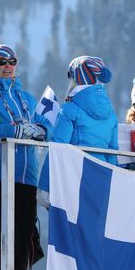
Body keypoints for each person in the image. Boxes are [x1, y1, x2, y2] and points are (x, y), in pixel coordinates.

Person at [0, 45, 53, 270]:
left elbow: (48, 123)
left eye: (12, 61)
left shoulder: (26, 97)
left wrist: (40, 129)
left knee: (24, 237)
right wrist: (13, 130)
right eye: (1, 61)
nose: (7, 66)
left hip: (27, 177)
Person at [38, 56, 118, 207]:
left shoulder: (70, 109)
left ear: (77, 77)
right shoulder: (111, 113)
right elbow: (113, 151)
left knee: (68, 229)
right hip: (101, 179)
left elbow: (57, 148)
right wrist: (111, 182)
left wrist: (44, 187)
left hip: (74, 177)